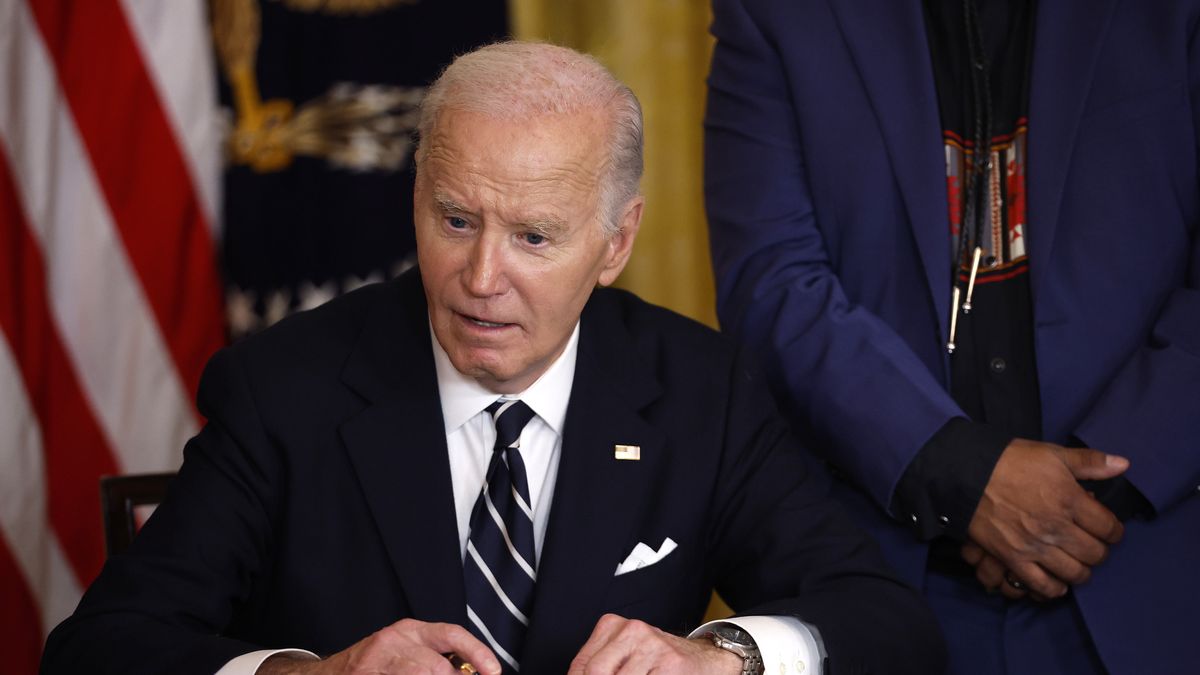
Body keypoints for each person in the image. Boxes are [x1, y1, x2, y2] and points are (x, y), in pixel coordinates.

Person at [41, 42, 944, 675]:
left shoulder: (701, 388)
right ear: (418, 201)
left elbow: (888, 626)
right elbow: (102, 647)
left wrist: (724, 657)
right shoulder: (285, 388)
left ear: (616, 243)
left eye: (534, 236)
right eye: (457, 220)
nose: (481, 278)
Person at [704, 1, 1200, 674]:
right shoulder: (776, 14)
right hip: (890, 575)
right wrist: (961, 472)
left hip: (1151, 560)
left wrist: (1076, 503)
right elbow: (769, 282)